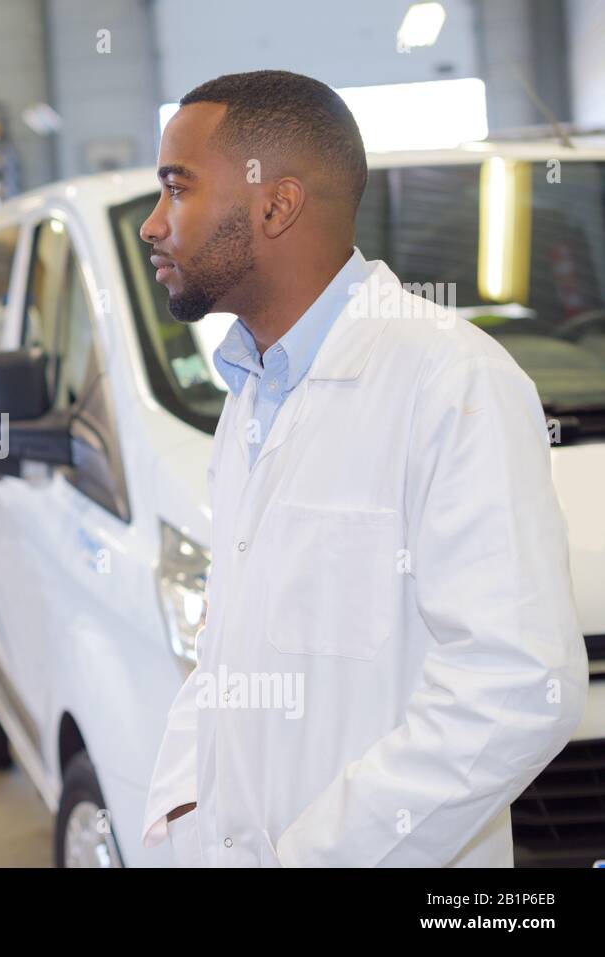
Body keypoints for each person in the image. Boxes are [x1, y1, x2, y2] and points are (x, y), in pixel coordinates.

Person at [139, 70, 586, 866]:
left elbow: (518, 685)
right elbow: (226, 653)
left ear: (275, 205)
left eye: (178, 190)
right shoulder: (251, 389)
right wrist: (180, 816)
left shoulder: (449, 382)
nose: (152, 224)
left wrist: (312, 858)